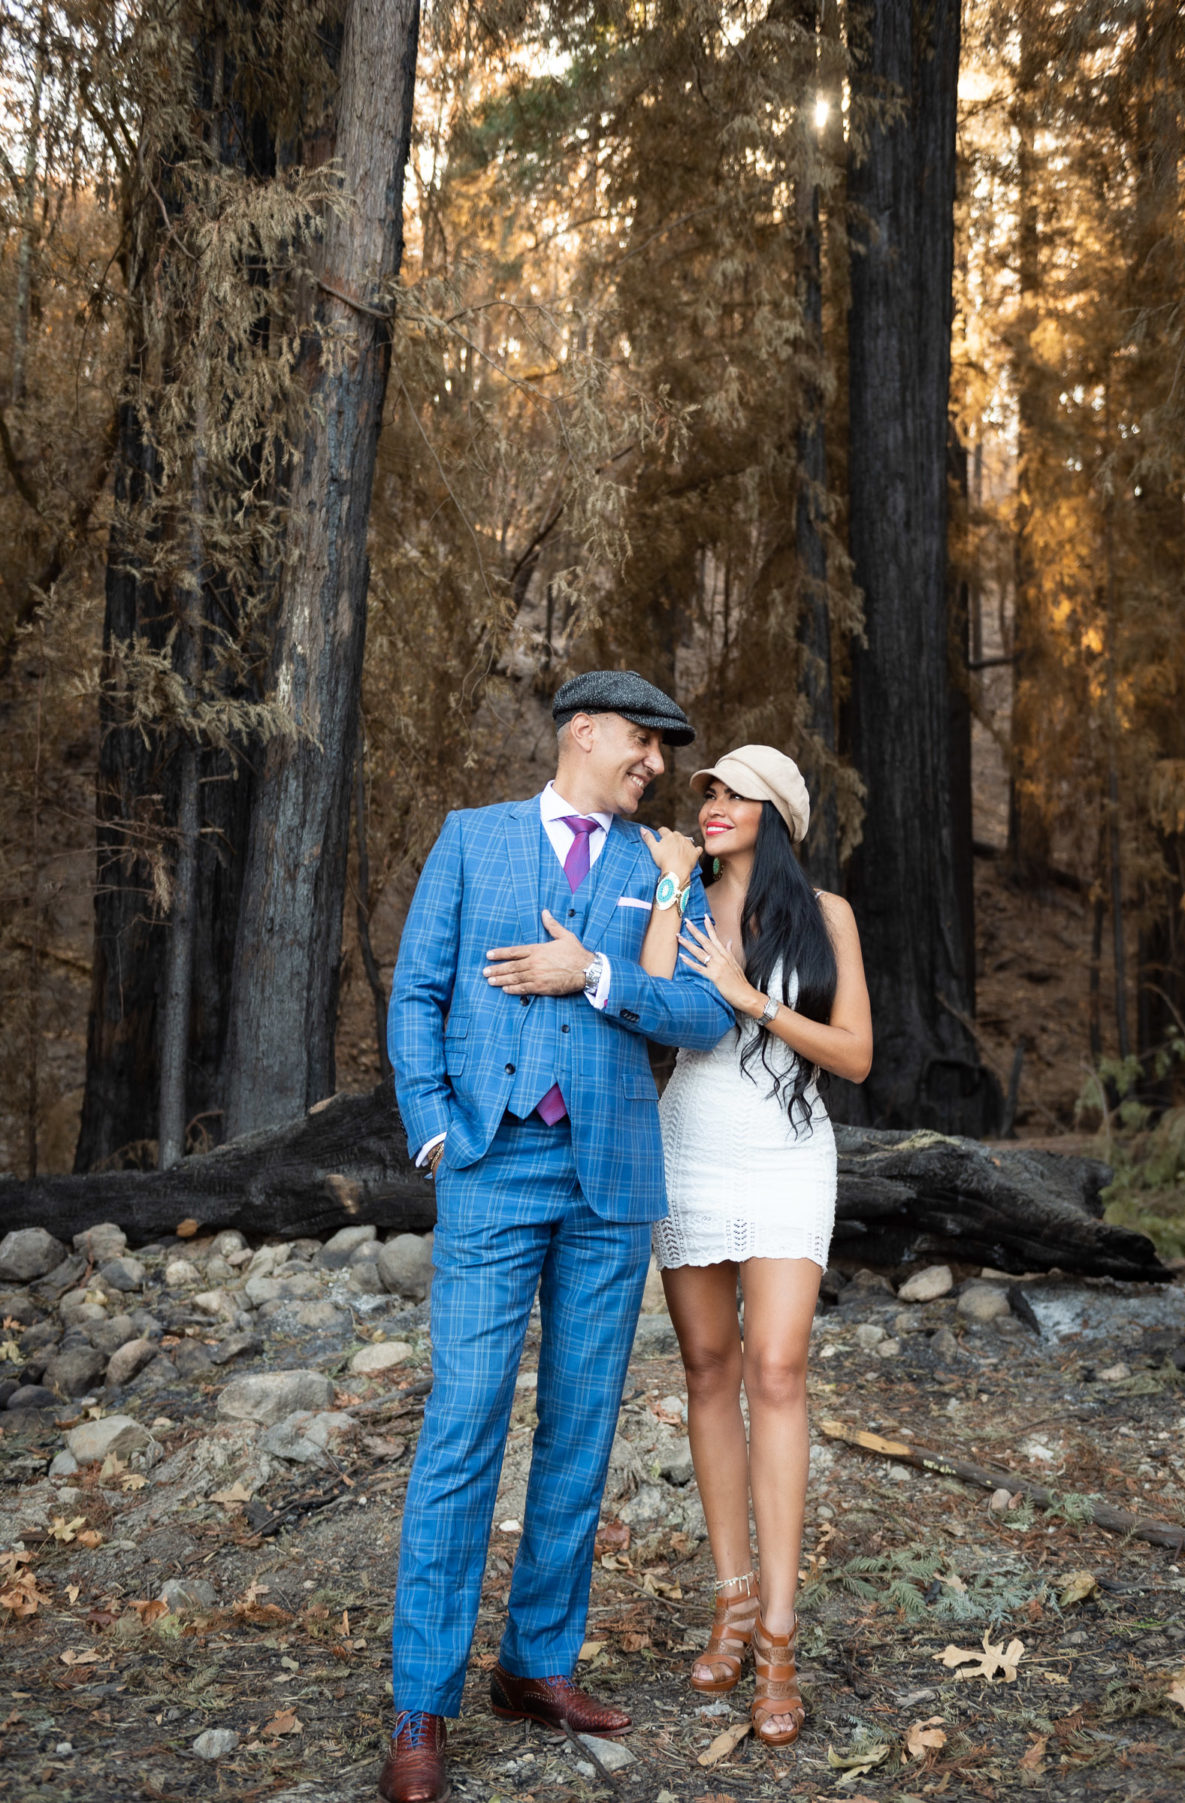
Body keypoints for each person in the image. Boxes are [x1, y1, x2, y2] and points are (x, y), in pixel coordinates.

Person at [379, 671, 734, 1803]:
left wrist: (595, 972)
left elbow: (699, 1013)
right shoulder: (473, 840)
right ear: (585, 731)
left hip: (611, 1180)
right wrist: (434, 1133)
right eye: (644, 740)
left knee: (580, 1433)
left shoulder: (659, 870)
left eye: (666, 749)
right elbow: (417, 992)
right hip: (490, 1165)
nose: (658, 764)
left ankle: (536, 1667)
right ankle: (420, 1702)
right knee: (464, 1426)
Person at [636, 746, 872, 1748]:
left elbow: (856, 1054)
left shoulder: (827, 918)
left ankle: (776, 1634)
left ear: (776, 814)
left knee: (776, 1369)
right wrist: (667, 888)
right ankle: (729, 1602)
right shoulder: (685, 901)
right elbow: (647, 1001)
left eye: (733, 795)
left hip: (786, 1154)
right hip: (689, 1144)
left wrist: (753, 996)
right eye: (709, 794)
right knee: (706, 1366)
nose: (713, 806)